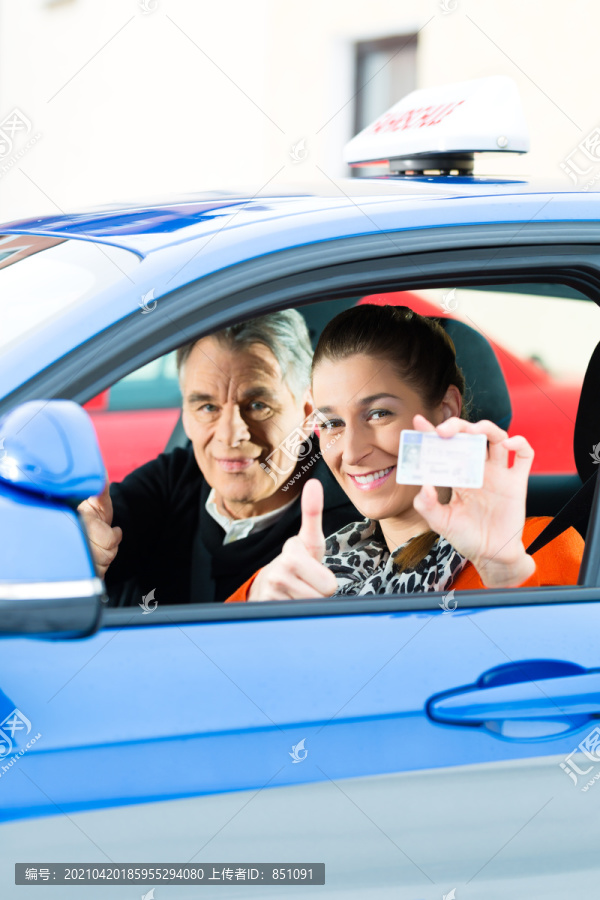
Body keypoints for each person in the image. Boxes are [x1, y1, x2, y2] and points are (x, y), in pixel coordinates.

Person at [224, 305, 583, 603]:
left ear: (444, 411)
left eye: (379, 413)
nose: (351, 451)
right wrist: (256, 604)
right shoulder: (307, 569)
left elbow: (563, 679)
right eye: (332, 422)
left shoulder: (541, 549)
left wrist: (503, 573)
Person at [78, 310, 359, 605]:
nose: (230, 434)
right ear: (185, 414)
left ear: (306, 413)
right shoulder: (173, 481)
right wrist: (78, 547)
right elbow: (87, 544)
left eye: (257, 405)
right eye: (208, 408)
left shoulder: (354, 514)